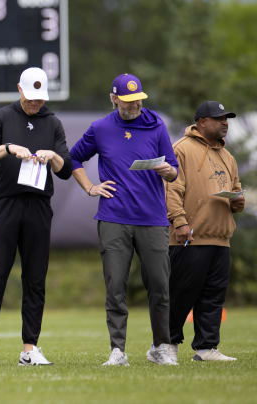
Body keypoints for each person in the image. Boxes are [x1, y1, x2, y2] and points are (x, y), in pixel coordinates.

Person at [69, 73, 179, 366]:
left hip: (153, 219)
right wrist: (90, 187)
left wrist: (168, 171)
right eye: (128, 101)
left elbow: (174, 168)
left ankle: (161, 347)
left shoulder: (156, 126)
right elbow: (73, 159)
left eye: (138, 101)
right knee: (115, 286)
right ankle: (118, 350)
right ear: (114, 98)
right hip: (114, 218)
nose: (134, 106)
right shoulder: (101, 128)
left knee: (160, 285)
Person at [0, 67, 72, 366]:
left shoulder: (52, 122)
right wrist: (8, 148)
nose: (35, 104)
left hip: (38, 207)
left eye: (39, 99)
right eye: (30, 98)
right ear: (20, 90)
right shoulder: (2, 117)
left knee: (35, 278)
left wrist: (53, 156)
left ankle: (30, 348)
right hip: (5, 206)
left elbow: (65, 169)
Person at [166, 101, 243, 362]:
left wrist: (238, 201)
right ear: (201, 123)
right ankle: (166, 346)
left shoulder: (228, 156)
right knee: (180, 295)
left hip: (220, 237)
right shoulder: (181, 149)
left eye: (227, 118)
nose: (225, 123)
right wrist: (179, 222)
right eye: (219, 118)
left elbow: (235, 188)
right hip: (189, 236)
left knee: (213, 296)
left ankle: (206, 348)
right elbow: (171, 190)